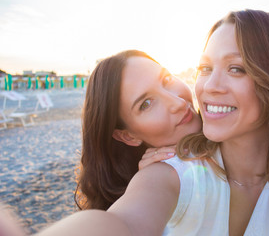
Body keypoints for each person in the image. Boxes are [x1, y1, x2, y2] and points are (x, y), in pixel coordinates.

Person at [37, 9, 269, 235]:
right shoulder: (166, 174)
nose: (205, 88)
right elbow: (119, 223)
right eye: (206, 67)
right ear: (127, 136)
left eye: (235, 68)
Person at [74, 50, 202, 210]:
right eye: (146, 104)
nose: (178, 103)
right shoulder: (158, 178)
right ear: (128, 136)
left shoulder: (229, 125)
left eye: (167, 79)